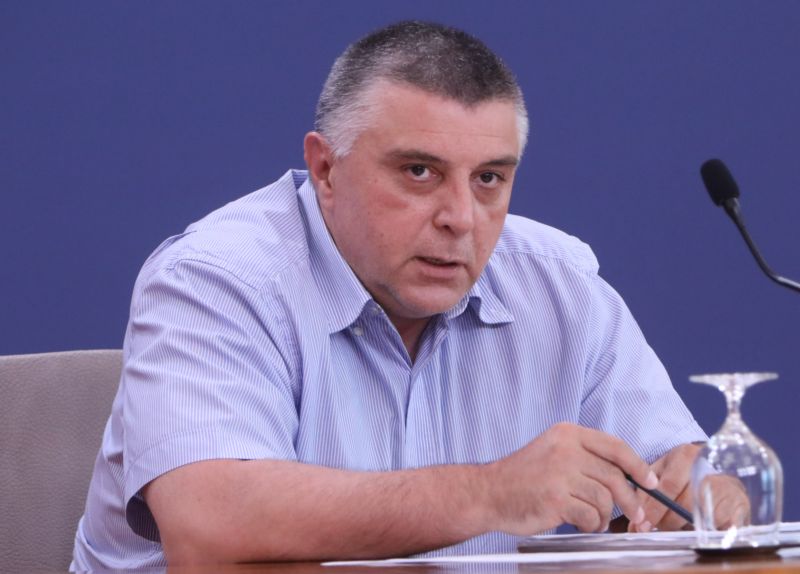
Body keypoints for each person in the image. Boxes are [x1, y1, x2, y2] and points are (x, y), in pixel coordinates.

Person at [72, 20, 722, 569]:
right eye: (420, 171)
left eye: (489, 179)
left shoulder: (560, 286)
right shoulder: (217, 279)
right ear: (326, 169)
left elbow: (678, 475)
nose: (460, 218)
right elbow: (209, 528)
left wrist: (704, 494)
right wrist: (495, 493)